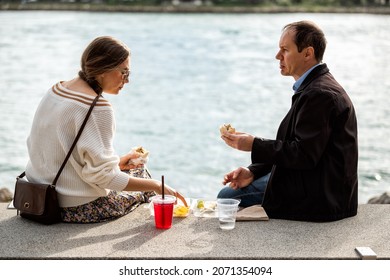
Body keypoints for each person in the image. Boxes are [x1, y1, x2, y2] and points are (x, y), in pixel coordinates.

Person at [25, 36, 186, 223]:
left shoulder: (56, 90)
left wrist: (117, 163)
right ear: (103, 70)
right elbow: (104, 178)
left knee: (131, 173)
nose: (127, 80)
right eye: (124, 73)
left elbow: (61, 153)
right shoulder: (97, 108)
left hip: (37, 194)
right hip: (75, 207)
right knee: (142, 176)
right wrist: (157, 186)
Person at [218, 21, 358, 222]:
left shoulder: (320, 94)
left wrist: (253, 145)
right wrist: (253, 171)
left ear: (307, 53)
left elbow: (303, 154)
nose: (278, 56)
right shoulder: (315, 87)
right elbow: (298, 147)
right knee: (234, 192)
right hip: (317, 183)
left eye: (285, 50)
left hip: (321, 198)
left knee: (227, 196)